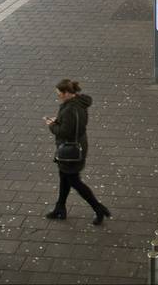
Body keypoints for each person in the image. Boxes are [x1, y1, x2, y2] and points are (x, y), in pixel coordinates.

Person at [43, 79, 111, 225]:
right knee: (64, 177)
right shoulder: (80, 102)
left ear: (67, 93)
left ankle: (98, 208)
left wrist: (52, 125)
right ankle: (60, 208)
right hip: (79, 144)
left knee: (74, 181)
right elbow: (73, 125)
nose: (58, 96)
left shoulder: (69, 110)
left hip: (70, 151)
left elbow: (64, 132)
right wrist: (59, 121)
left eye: (59, 94)